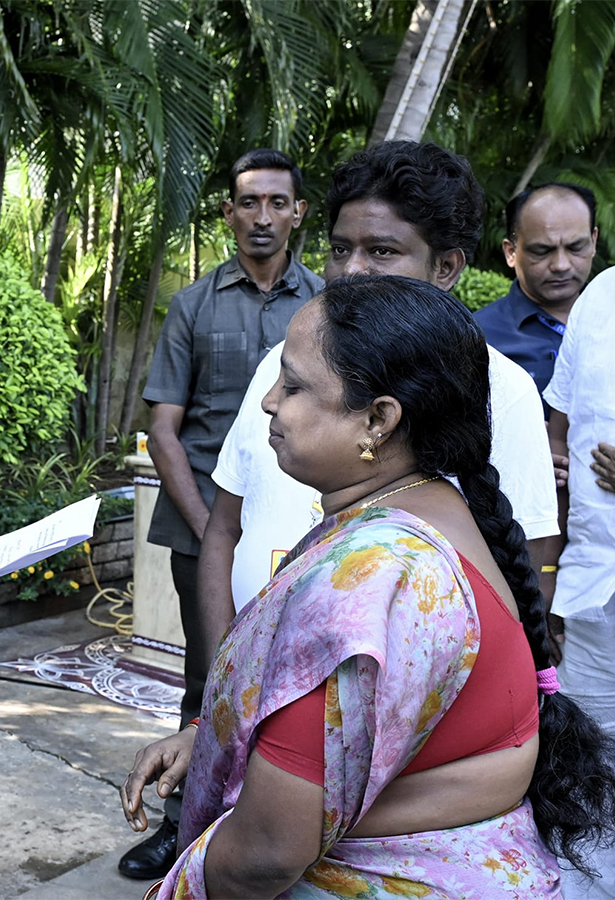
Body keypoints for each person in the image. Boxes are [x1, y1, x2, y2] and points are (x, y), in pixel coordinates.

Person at [130, 276, 615, 898]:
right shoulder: (433, 508)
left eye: (296, 384)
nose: (269, 402)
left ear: (379, 419)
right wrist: (210, 737)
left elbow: (265, 854)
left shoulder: (367, 582)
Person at [199, 141, 558, 649]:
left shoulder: (503, 392)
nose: (351, 272)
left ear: (446, 269)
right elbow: (223, 532)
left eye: (382, 251)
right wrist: (223, 682)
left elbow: (523, 567)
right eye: (340, 249)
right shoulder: (281, 364)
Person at [121, 149, 322, 880]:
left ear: (299, 213)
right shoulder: (196, 304)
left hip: (300, 531)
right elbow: (164, 431)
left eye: (277, 202)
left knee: (298, 686)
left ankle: (275, 831)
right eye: (248, 203)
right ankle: (185, 830)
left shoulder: (326, 306)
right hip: (200, 524)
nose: (262, 216)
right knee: (209, 676)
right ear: (229, 213)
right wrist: (214, 532)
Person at [543, 266, 615, 898]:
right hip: (590, 599)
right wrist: (548, 590)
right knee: (586, 796)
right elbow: (558, 439)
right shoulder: (601, 297)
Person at [475, 182, 598, 399]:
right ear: (511, 252)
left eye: (575, 247)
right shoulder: (479, 338)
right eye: (542, 251)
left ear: (593, 241)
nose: (561, 265)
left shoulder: (608, 317)